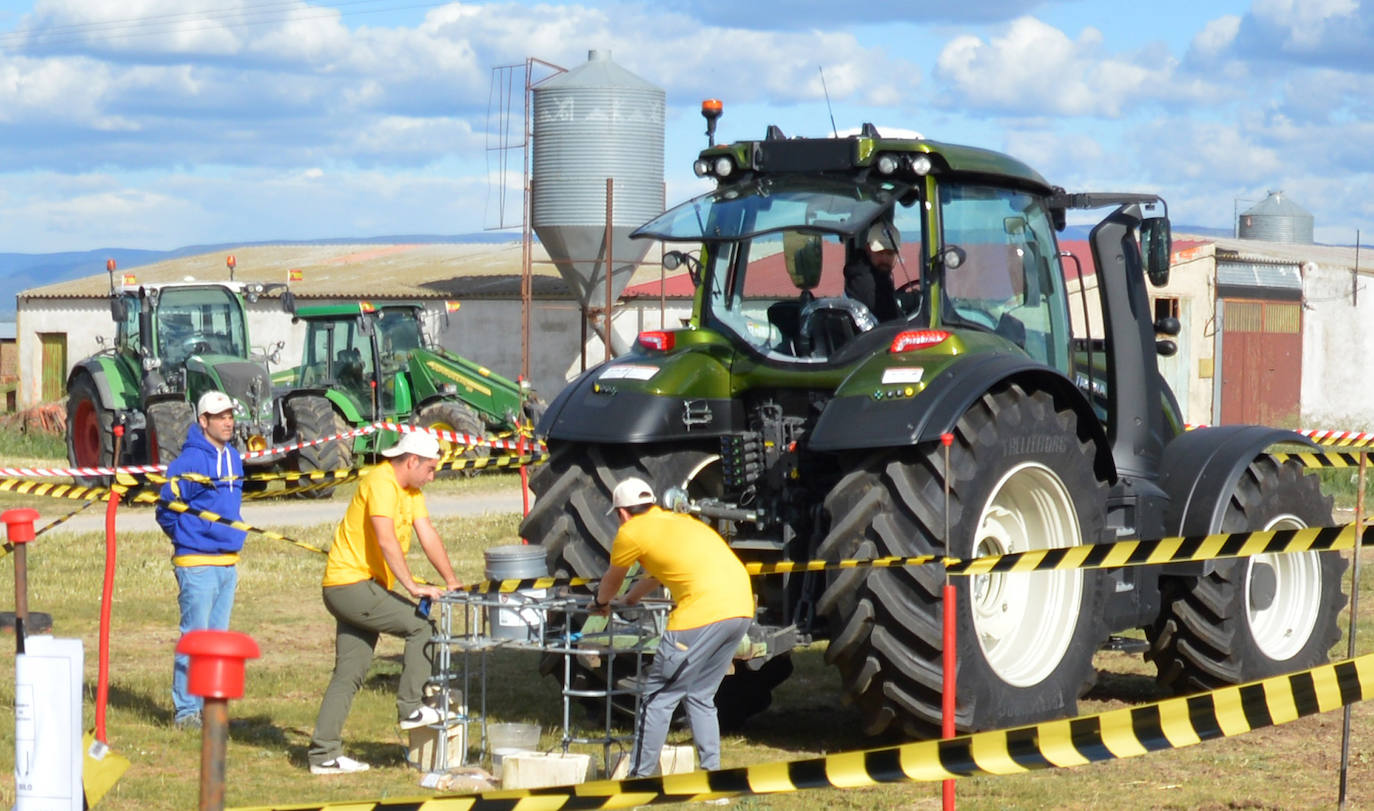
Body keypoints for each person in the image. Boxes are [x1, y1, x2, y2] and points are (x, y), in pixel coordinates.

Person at [307, 430, 462, 775]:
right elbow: (386, 537)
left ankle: (323, 755)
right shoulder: (381, 482)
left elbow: (428, 534)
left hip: (360, 587)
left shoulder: (411, 491)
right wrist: (410, 586)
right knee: (422, 626)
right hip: (350, 586)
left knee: (350, 673)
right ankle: (410, 707)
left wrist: (451, 579)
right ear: (412, 461)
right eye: (431, 469)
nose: (433, 476)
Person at [593, 478, 753, 777]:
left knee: (658, 698)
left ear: (623, 513)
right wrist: (631, 598)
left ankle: (638, 781)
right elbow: (656, 574)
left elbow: (612, 579)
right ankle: (712, 779)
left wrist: (601, 601)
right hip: (740, 610)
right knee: (700, 696)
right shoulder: (679, 522)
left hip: (701, 615)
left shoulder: (631, 532)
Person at [156, 390, 245, 731]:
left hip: (227, 562)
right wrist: (188, 538)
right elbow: (166, 510)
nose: (228, 421)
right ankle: (185, 712)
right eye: (220, 416)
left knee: (217, 642)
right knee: (194, 639)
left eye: (230, 415)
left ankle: (210, 707)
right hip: (196, 564)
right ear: (203, 421)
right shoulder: (188, 463)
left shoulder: (235, 458)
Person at [843, 220, 902, 322]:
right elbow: (892, 323)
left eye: (890, 253)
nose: (884, 259)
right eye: (879, 253)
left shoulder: (874, 275)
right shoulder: (869, 285)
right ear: (868, 249)